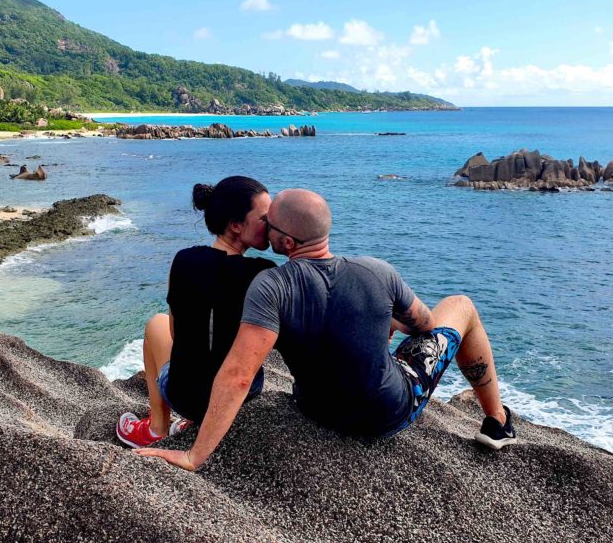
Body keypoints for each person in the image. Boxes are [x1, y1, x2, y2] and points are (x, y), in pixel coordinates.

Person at [136, 189, 516, 470]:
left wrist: (195, 454)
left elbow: (239, 372)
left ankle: (157, 423)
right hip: (387, 415)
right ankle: (496, 422)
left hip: (314, 408)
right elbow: (427, 326)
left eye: (271, 224)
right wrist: (384, 317)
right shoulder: (378, 272)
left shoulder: (272, 286)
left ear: (285, 242)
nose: (266, 230)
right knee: (461, 307)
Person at [116, 176, 276, 448]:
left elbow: (176, 334)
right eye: (265, 218)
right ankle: (164, 425)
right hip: (241, 398)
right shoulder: (264, 273)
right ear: (236, 225)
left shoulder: (184, 260)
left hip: (187, 399)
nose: (273, 223)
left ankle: (157, 427)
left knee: (157, 323)